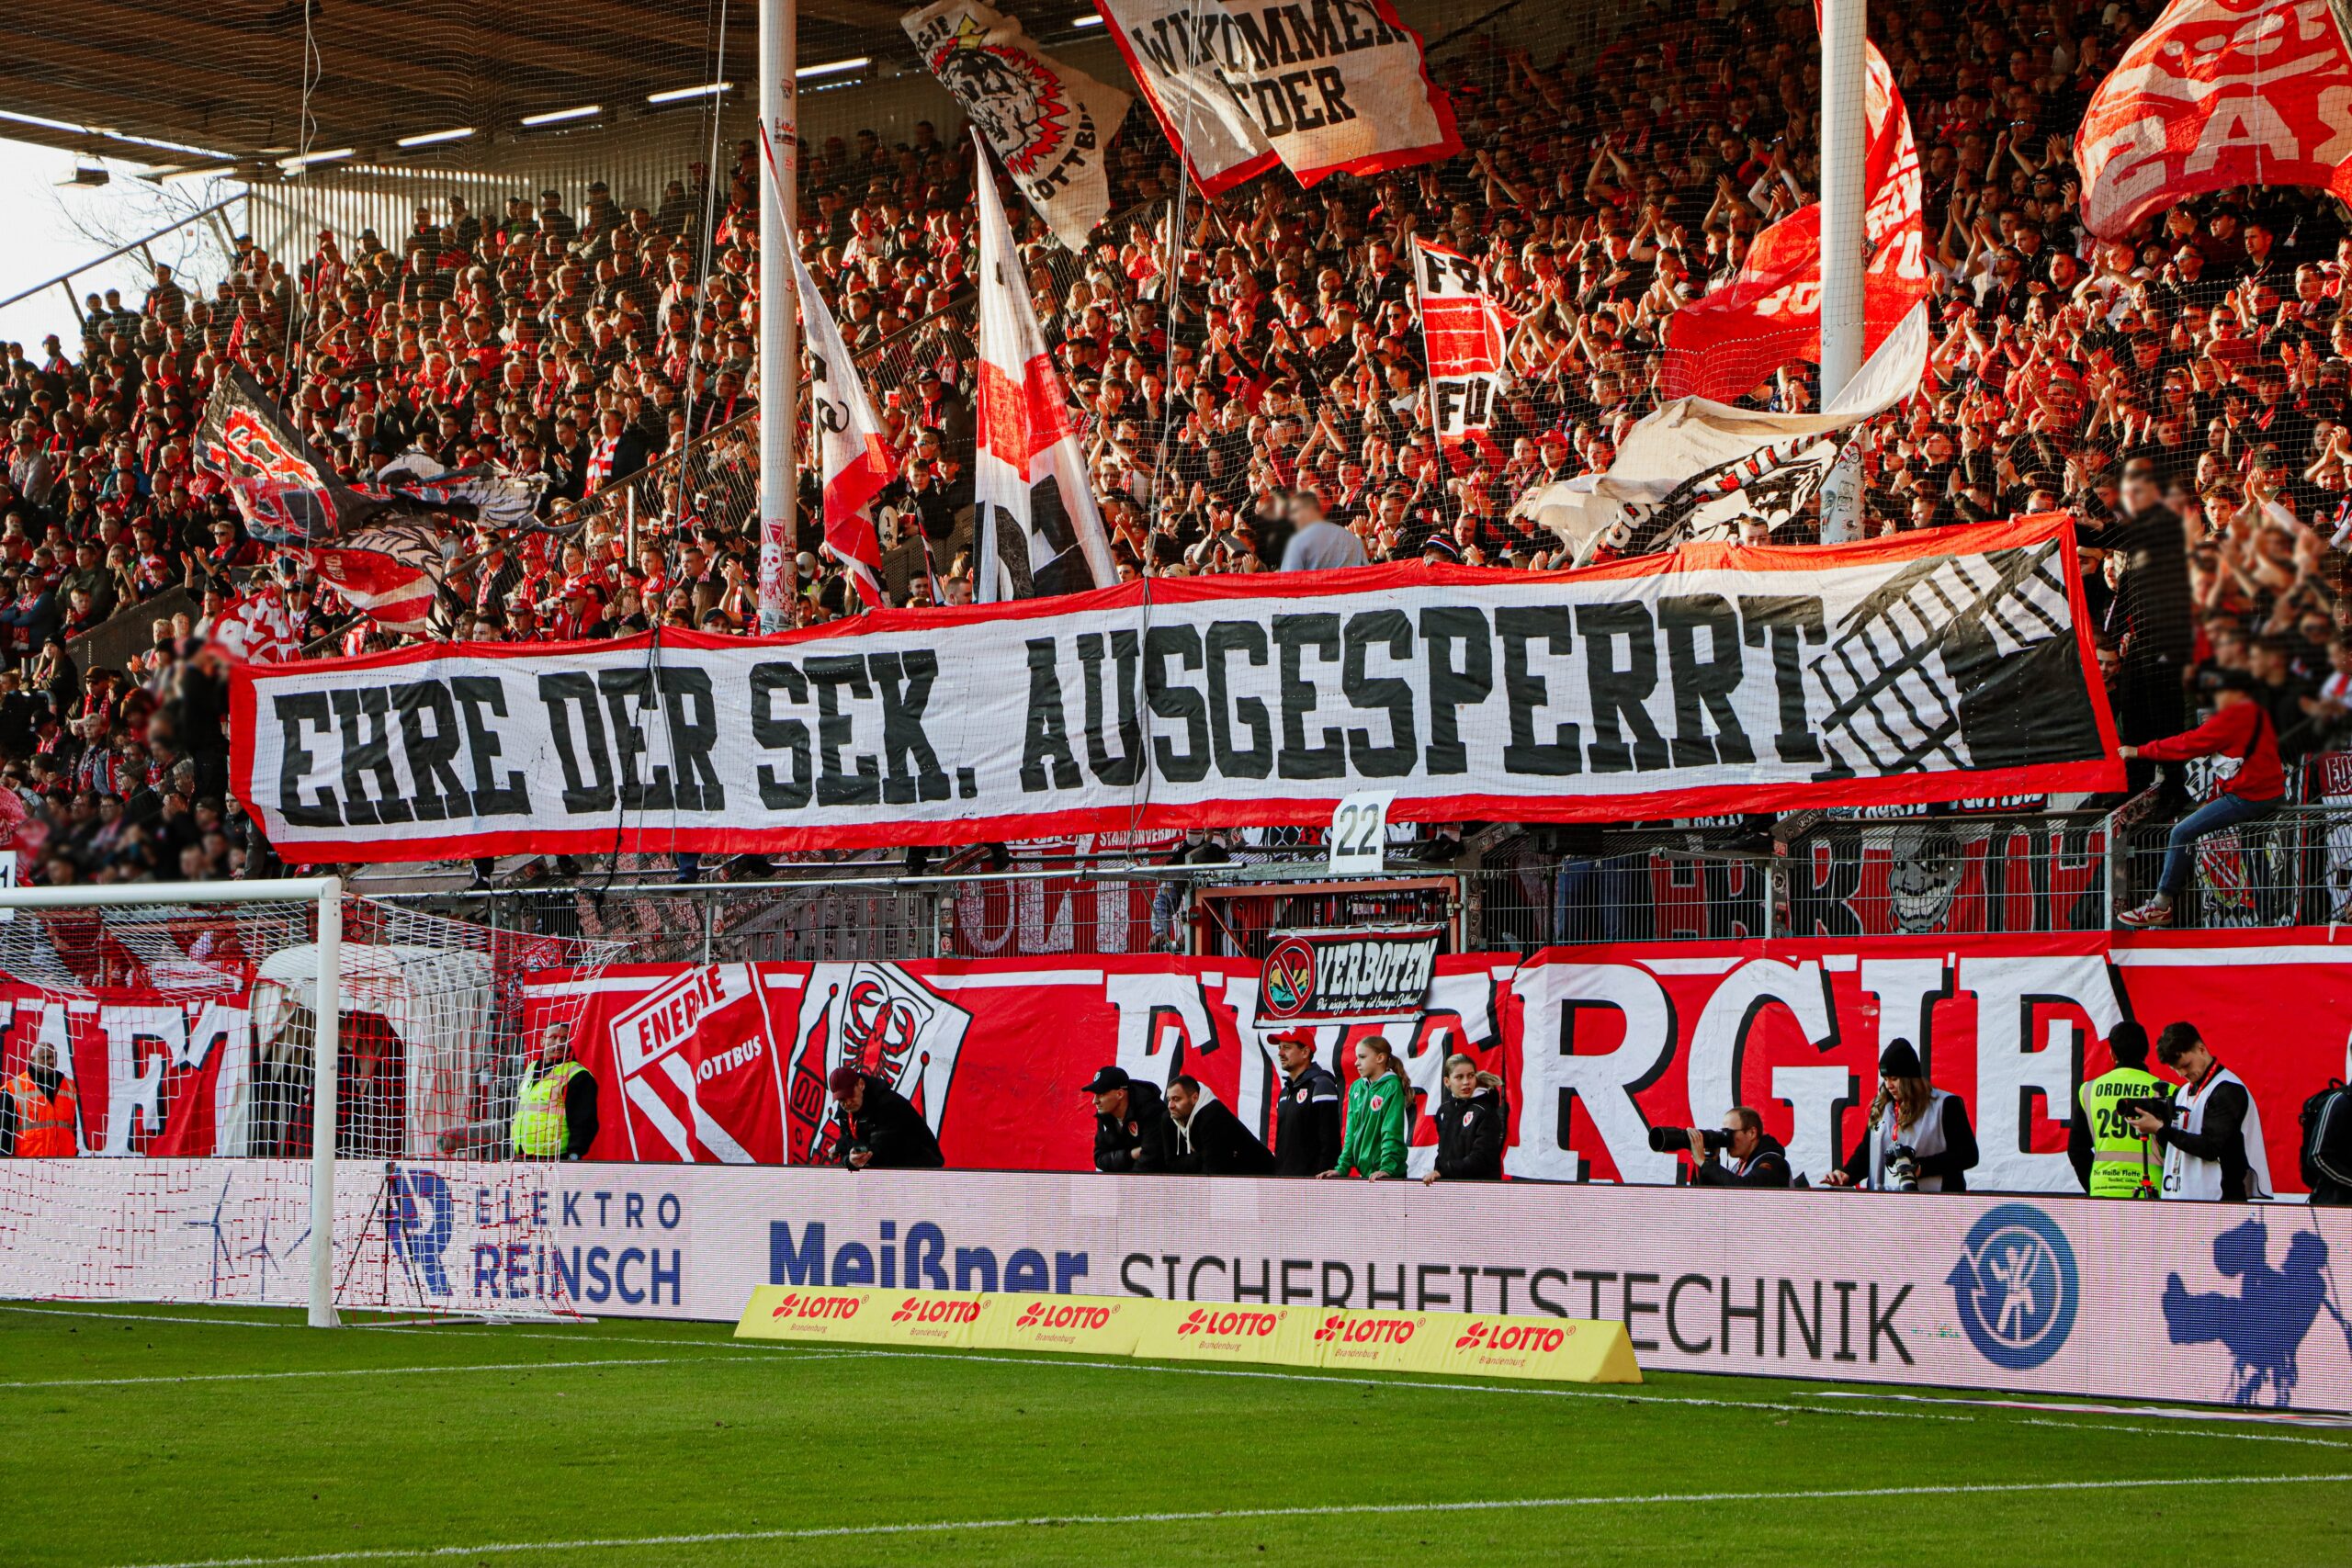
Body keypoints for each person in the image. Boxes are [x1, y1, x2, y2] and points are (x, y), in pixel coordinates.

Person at [2117, 671, 2286, 928]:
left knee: (2182, 832)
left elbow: (2187, 744)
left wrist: (2138, 751)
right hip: (2270, 794)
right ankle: (2267, 916)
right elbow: (2237, 759)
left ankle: (2161, 905)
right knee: (2253, 848)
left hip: (2248, 798)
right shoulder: (2255, 711)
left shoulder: (2229, 720)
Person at [2137, 1022, 2271, 1201]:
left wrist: (2160, 1129)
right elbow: (2174, 1147)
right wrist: (2158, 1124)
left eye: (2186, 1065)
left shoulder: (2227, 1089)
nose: (2182, 1074)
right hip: (2183, 1198)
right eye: (2176, 1069)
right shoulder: (2183, 1092)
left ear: (2201, 1049)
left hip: (2220, 1201)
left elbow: (2210, 1148)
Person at [1824, 1041, 1978, 1191]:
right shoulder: (1881, 1106)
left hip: (1933, 1202)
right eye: (1885, 1079)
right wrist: (1847, 1174)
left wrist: (1922, 1167)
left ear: (1910, 1078)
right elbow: (1868, 1153)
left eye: (1894, 1079)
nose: (1888, 1085)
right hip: (1884, 1203)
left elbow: (1968, 1155)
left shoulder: (1945, 1104)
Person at [2068, 1021, 2171, 1198]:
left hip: (2103, 1191)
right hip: (2152, 1193)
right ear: (2146, 1051)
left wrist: (2094, 1187)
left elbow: (2077, 1150)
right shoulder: (2167, 1091)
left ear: (2112, 1053)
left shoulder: (2089, 1090)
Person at [1319, 1035, 1409, 1180]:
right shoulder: (1356, 1088)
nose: (1356, 1063)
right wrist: (1342, 1168)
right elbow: (1350, 1133)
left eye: (1362, 1057)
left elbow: (1391, 1130)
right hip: (1368, 1175)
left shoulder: (1392, 1086)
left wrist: (1387, 1168)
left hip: (1389, 1174)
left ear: (1380, 1058)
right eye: (1357, 1057)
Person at [825, 1066, 944, 1169]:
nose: (847, 1103)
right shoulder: (845, 1111)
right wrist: (847, 1158)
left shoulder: (888, 1104)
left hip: (921, 1168)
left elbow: (876, 1151)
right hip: (892, 1168)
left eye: (850, 1095)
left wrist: (842, 1147)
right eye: (841, 1099)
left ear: (861, 1084)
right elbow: (854, 1149)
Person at [509, 1022, 597, 1160]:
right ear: (542, 1041)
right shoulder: (531, 1069)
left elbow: (584, 1122)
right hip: (524, 1154)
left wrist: (574, 1156)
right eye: (554, 1037)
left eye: (564, 1038)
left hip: (557, 1157)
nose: (559, 1043)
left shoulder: (578, 1075)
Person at [1157, 1074, 1275, 1175]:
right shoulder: (1169, 1118)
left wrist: (1194, 1160)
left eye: (1176, 1099)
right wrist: (1201, 1157)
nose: (1170, 1106)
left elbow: (1213, 1171)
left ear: (1195, 1098)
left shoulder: (1212, 1115)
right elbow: (1170, 1165)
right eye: (1169, 1099)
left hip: (1260, 1176)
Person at [1270, 1029, 1343, 1177]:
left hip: (1312, 1182)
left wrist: (1321, 1182)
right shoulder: (1285, 1092)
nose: (1280, 1053)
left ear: (1305, 1052)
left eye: (1287, 1048)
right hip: (1283, 1179)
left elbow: (1330, 1142)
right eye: (1279, 1047)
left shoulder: (1321, 1085)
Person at [1423, 1053, 1504, 1182]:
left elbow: (1482, 1158)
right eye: (1459, 1077)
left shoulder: (1485, 1111)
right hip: (1449, 1186)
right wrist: (1439, 1172)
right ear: (1447, 1082)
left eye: (1470, 1076)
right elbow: (1443, 1153)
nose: (1466, 1082)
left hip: (1481, 1186)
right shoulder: (1444, 1110)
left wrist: (1443, 1171)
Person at [1083, 1066, 1167, 1172]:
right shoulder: (1104, 1114)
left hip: (1160, 1179)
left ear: (1120, 1094)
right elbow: (1099, 1158)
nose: (1095, 1101)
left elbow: (1150, 1159)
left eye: (1101, 1094)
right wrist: (1130, 1155)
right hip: (1127, 1179)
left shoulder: (1152, 1110)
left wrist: (1126, 1180)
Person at [1, 1041, 77, 1157]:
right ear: (32, 1059)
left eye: (54, 1057)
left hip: (65, 1162)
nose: (52, 1062)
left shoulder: (69, 1086)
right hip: (30, 1164)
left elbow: (72, 1128)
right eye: (45, 1058)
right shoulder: (13, 1089)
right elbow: (4, 1137)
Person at [1689, 1106, 1791, 1188]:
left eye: (1729, 1133)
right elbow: (1715, 1198)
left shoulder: (1774, 1163)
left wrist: (1705, 1163)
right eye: (1723, 1133)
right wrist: (1711, 1161)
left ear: (1752, 1133)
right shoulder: (1738, 1167)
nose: (1726, 1138)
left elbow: (1746, 1190)